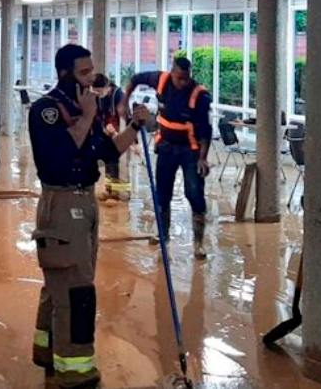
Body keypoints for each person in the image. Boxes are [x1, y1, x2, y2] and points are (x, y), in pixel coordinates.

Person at [28, 44, 149, 389]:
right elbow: (64, 153)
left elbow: (105, 150)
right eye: (83, 73)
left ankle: (47, 352)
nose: (91, 80)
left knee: (62, 284)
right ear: (64, 73)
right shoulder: (46, 110)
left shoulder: (83, 108)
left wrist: (135, 127)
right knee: (75, 290)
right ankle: (75, 374)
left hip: (86, 202)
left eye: (92, 72)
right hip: (62, 203)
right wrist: (85, 114)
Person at [124, 57, 213, 252]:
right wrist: (124, 102)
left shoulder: (200, 96)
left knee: (194, 194)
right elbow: (135, 79)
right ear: (172, 72)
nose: (183, 82)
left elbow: (206, 131)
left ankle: (199, 243)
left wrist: (203, 158)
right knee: (162, 194)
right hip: (166, 147)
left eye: (187, 78)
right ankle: (163, 234)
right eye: (180, 78)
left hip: (191, 150)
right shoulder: (160, 79)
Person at [92, 73, 130, 201]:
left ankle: (121, 195)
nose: (97, 94)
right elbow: (98, 115)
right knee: (109, 162)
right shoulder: (98, 97)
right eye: (95, 91)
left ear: (107, 87)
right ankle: (110, 191)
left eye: (99, 91)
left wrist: (133, 142)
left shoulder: (119, 96)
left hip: (121, 133)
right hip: (108, 133)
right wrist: (105, 127)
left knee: (120, 164)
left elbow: (127, 118)